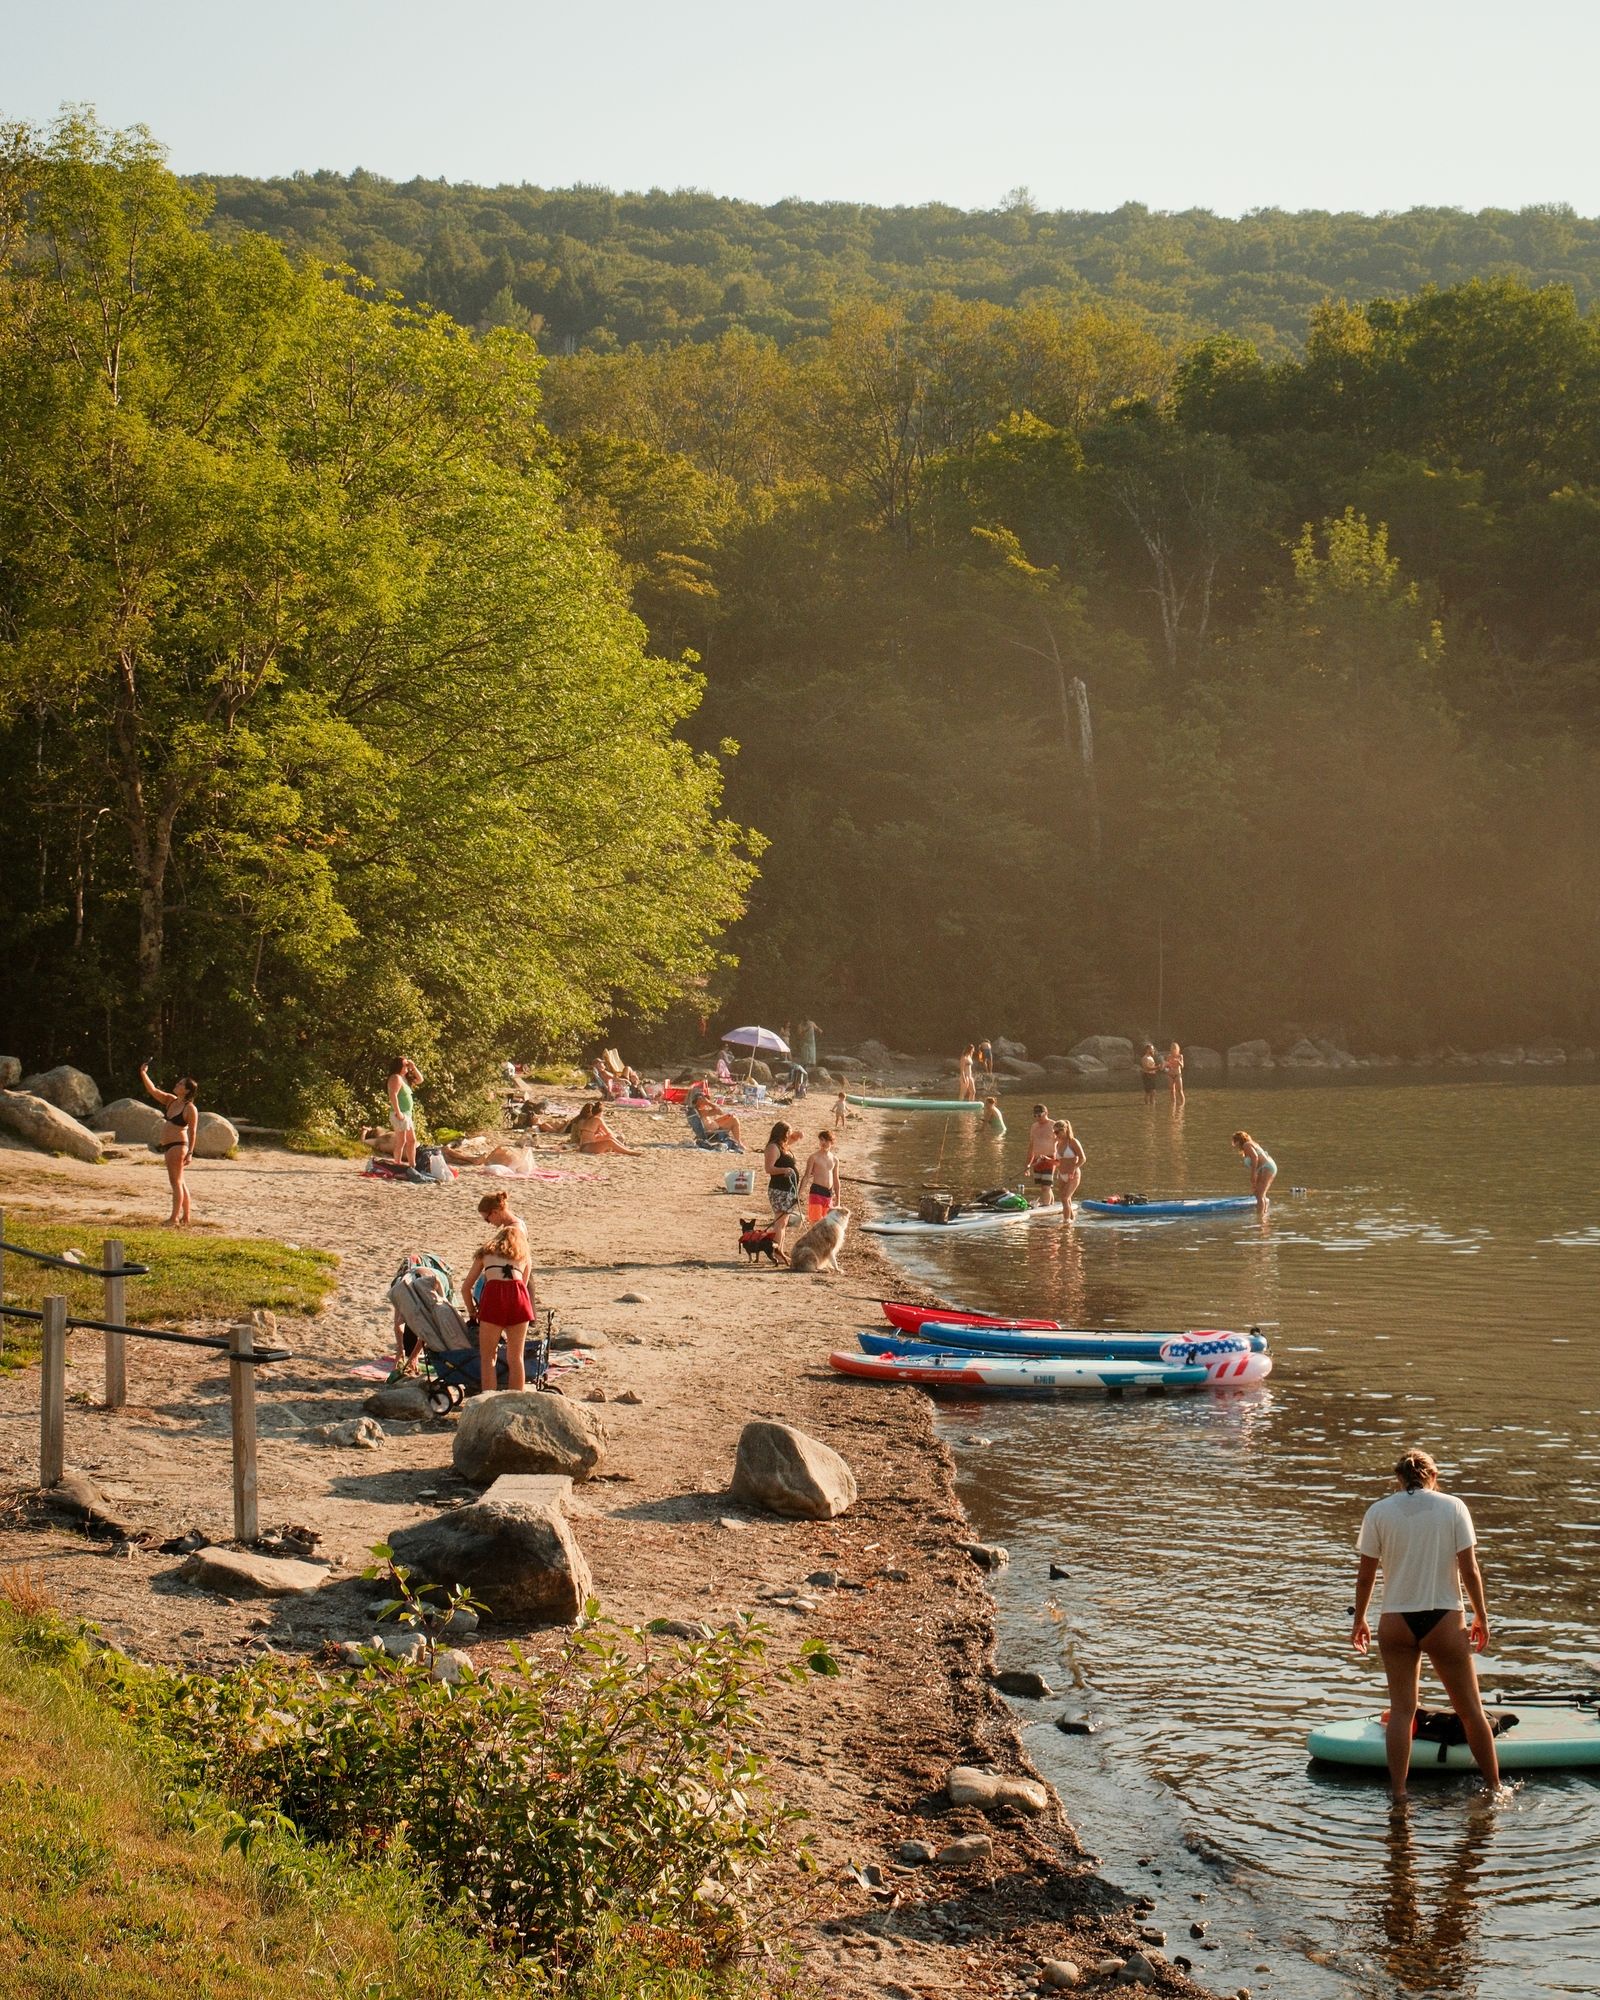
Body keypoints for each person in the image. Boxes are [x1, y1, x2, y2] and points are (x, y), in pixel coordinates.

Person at [1351, 1449, 1501, 1801]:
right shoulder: (1454, 1507)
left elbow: (1365, 1576)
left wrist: (1360, 1620)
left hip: (1396, 1621)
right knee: (1471, 1712)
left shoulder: (1378, 1512)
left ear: (1398, 1478)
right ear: (1433, 1476)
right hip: (1444, 1618)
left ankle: (1399, 1796)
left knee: (1402, 1712)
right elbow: (1469, 1569)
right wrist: (1481, 1615)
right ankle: (1495, 1789)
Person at [461, 1216, 536, 1397]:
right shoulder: (524, 1256)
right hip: (518, 1299)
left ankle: (489, 1399)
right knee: (516, 1357)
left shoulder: (485, 1254)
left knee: (488, 1357)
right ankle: (516, 1398)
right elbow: (524, 1283)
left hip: (494, 1300)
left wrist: (472, 1311)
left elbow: (466, 1288)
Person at [139, 1063, 199, 1226]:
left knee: (175, 1182)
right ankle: (186, 1217)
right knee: (180, 1181)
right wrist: (143, 1073)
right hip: (170, 1146)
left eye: (181, 1084)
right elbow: (153, 1090)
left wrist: (190, 1153)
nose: (177, 1084)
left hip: (178, 1146)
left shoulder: (190, 1108)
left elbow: (193, 1132)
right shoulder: (171, 1100)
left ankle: (174, 1219)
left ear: (187, 1090)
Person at [763, 1121, 803, 1258]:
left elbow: (792, 1139)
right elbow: (769, 1168)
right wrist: (784, 1170)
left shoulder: (783, 1146)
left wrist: (796, 1135)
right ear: (783, 1133)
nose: (790, 1134)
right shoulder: (773, 1147)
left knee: (783, 1223)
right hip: (779, 1189)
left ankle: (779, 1250)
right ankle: (776, 1253)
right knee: (780, 1223)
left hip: (788, 1190)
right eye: (788, 1132)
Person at [387, 1057, 423, 1170]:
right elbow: (393, 1095)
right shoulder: (396, 1077)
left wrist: (413, 1067)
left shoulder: (404, 1078)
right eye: (404, 1065)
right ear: (399, 1066)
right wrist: (398, 1112)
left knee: (409, 1141)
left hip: (406, 1114)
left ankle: (411, 1165)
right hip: (400, 1113)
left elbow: (420, 1080)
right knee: (404, 1141)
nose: (407, 1066)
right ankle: (399, 1163)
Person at [569, 1100, 641, 1156]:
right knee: (610, 1141)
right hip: (587, 1147)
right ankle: (629, 1152)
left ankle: (625, 1148)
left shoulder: (588, 1119)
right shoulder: (597, 1119)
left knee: (608, 1138)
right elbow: (609, 1133)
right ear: (601, 1112)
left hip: (583, 1146)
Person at [1232, 1129, 1278, 1213]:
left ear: (1239, 1140)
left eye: (1235, 1141)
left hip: (1266, 1167)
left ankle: (1260, 1217)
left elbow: (1255, 1157)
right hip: (1264, 1168)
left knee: (1260, 1195)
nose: (1235, 1144)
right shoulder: (1250, 1144)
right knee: (1258, 1193)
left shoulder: (1247, 1145)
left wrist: (1253, 1174)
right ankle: (1263, 1215)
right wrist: (1255, 1180)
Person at [802, 1130, 840, 1224]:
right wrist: (799, 1194)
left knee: (827, 1223)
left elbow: (836, 1180)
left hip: (829, 1193)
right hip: (816, 1192)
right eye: (821, 1140)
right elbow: (806, 1176)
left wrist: (838, 1199)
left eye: (826, 1140)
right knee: (815, 1222)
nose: (823, 1143)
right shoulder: (814, 1157)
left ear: (831, 1142)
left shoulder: (834, 1159)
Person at [1052, 1118, 1086, 1217]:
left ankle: (1066, 1221)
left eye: (1057, 1132)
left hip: (1073, 1174)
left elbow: (1083, 1158)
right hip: (1061, 1174)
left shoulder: (1073, 1142)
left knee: (1065, 1198)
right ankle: (1070, 1221)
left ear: (1065, 1130)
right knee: (1066, 1199)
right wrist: (1046, 1159)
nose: (1056, 1134)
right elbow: (1058, 1162)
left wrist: (1074, 1168)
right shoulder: (1058, 1143)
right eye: (1054, 1132)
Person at [1026, 1103, 1056, 1186]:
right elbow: (1031, 1146)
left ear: (1046, 1113)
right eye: (1035, 1116)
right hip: (1037, 1160)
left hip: (1049, 1159)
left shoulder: (1053, 1125)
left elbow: (1061, 1143)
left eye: (1039, 1115)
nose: (1037, 1118)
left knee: (1046, 1186)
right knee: (1041, 1186)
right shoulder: (1034, 1126)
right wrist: (1028, 1164)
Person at [1165, 1040, 1185, 1108]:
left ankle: (1182, 1105)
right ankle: (1173, 1105)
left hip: (1177, 1074)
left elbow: (1182, 1066)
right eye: (1172, 1048)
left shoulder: (1180, 1056)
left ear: (1177, 1049)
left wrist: (1179, 1062)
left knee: (1180, 1091)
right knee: (1172, 1091)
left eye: (1174, 1048)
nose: (1173, 1049)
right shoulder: (1169, 1056)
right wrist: (1167, 1066)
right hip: (1170, 1075)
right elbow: (1166, 1066)